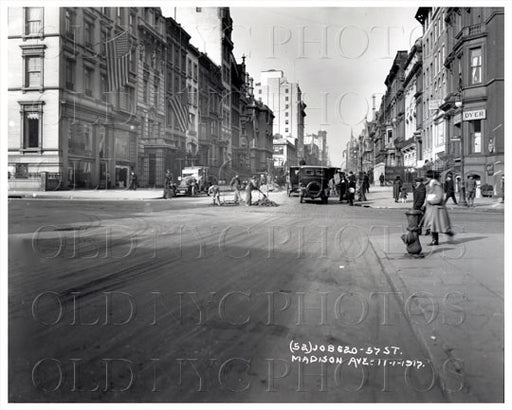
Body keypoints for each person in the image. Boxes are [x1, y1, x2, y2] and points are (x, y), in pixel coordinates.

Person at [423, 170, 455, 246]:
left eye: (427, 177)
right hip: (432, 208)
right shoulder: (430, 185)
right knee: (433, 225)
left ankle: (444, 235)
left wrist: (431, 201)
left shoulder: (436, 185)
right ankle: (435, 240)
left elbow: (439, 197)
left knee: (436, 225)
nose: (426, 178)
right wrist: (426, 203)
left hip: (436, 208)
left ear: (431, 177)